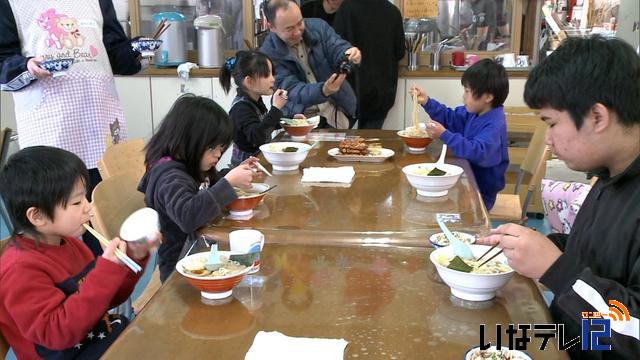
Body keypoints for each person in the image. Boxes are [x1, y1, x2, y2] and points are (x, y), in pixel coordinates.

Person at [479, 36, 640, 359]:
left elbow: (633, 333)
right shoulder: (611, 173)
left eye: (552, 123)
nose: (549, 140)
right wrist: (539, 246)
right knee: (470, 334)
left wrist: (556, 269)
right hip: (565, 339)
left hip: (590, 349)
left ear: (597, 117)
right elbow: (598, 252)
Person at [0, 0, 144, 256]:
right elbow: (2, 62)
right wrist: (27, 66)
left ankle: (106, 287)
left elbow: (117, 54)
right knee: (60, 235)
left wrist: (136, 49)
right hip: (51, 134)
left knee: (109, 230)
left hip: (101, 128)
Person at [0, 146, 157, 359]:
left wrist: (132, 257)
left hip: (99, 339)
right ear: (37, 216)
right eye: (76, 202)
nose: (88, 207)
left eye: (85, 198)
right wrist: (105, 272)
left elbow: (108, 299)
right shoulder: (19, 270)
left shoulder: (70, 242)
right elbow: (57, 334)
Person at [138, 94, 260, 282]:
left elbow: (207, 186)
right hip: (181, 269)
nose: (219, 154)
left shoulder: (188, 164)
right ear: (188, 140)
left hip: (202, 253)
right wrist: (228, 183)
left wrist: (233, 173)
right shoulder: (169, 177)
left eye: (222, 148)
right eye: (213, 148)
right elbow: (188, 216)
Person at [410, 59, 509, 210]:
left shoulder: (495, 123)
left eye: (468, 91)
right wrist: (427, 102)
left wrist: (445, 135)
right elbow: (451, 118)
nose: (464, 96)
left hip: (481, 192)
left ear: (488, 97)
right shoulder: (474, 112)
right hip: (467, 182)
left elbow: (477, 151)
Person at [260, 0, 361, 129]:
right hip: (300, 120)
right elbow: (291, 90)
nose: (297, 32)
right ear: (271, 27)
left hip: (338, 110)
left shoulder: (318, 27)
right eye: (289, 28)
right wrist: (323, 90)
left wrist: (349, 53)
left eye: (300, 23)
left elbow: (336, 47)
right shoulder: (268, 55)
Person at [333, 0, 405, 129]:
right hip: (381, 89)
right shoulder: (392, 11)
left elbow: (334, 47)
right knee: (371, 141)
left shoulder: (347, 8)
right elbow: (400, 52)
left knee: (342, 143)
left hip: (351, 86)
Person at [219, 50, 289, 166]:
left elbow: (266, 122)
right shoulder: (240, 109)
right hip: (244, 168)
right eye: (267, 75)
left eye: (272, 74)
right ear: (249, 81)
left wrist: (291, 120)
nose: (273, 79)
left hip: (259, 161)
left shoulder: (256, 100)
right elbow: (258, 136)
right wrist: (276, 108)